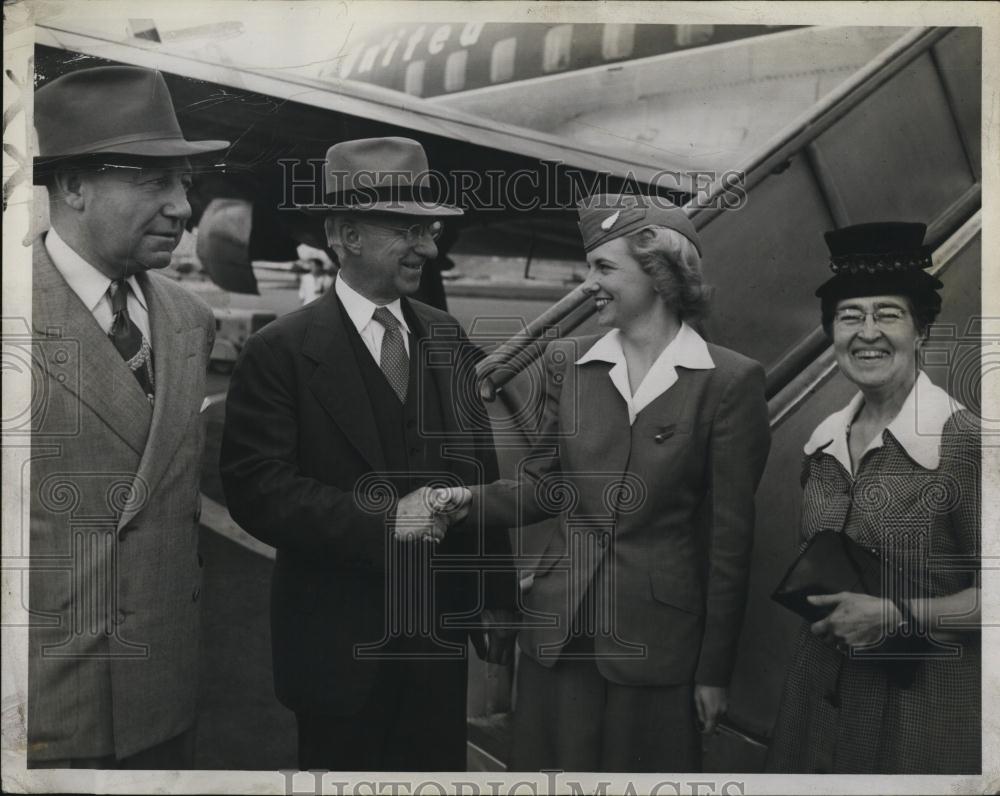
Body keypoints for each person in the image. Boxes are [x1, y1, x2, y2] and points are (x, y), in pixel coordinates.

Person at [441, 194, 771, 771]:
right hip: (559, 633)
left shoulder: (730, 383)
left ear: (661, 275)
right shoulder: (568, 362)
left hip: (658, 646)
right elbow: (545, 487)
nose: (588, 282)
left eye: (605, 267)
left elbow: (729, 543)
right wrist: (459, 501)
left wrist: (714, 671)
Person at [219, 136, 516, 771]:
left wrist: (495, 597)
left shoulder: (446, 336)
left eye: (430, 230)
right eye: (409, 230)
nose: (429, 248)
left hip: (437, 643)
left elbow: (478, 471)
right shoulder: (279, 351)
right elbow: (258, 488)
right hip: (335, 651)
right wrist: (387, 521)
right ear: (346, 234)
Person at [28, 65, 228, 768]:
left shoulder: (187, 319)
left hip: (165, 704)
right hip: (44, 715)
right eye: (152, 180)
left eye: (185, 185)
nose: (182, 208)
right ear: (74, 186)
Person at [766, 222, 981, 774]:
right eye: (849, 316)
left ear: (922, 331)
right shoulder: (822, 444)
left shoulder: (965, 444)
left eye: (887, 314)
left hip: (924, 714)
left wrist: (896, 615)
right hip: (819, 705)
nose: (867, 333)